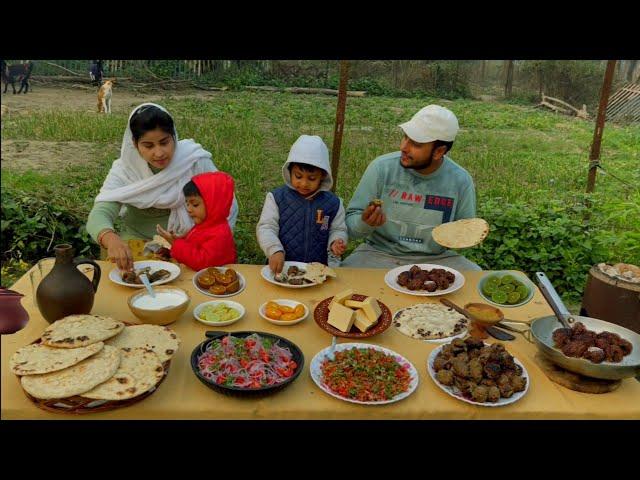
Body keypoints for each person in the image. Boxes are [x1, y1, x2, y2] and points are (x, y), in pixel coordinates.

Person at [86, 103, 239, 272]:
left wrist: (211, 241)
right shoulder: (125, 170)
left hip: (190, 246)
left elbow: (226, 203)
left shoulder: (193, 161)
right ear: (135, 144)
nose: (159, 153)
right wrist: (110, 238)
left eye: (164, 142)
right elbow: (100, 213)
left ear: (174, 136)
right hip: (136, 243)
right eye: (148, 146)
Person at [342, 105, 481, 271]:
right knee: (346, 278)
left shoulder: (460, 180)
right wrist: (365, 223)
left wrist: (466, 236)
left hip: (437, 259)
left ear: (439, 151)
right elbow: (350, 227)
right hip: (378, 254)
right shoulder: (381, 168)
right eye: (405, 137)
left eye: (415, 144)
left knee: (474, 278)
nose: (403, 147)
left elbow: (465, 231)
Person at [256, 135, 348, 274]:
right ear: (289, 171)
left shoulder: (333, 203)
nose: (304, 183)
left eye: (312, 178)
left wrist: (336, 241)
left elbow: (337, 229)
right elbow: (266, 227)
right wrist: (274, 250)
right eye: (298, 176)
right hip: (283, 267)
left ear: (323, 175)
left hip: (318, 270)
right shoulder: (276, 198)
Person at [155, 172, 237, 271]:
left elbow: (202, 262)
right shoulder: (204, 225)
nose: (189, 209)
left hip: (215, 281)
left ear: (213, 205)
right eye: (187, 204)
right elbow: (193, 248)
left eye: (195, 204)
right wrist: (171, 252)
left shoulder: (220, 234)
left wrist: (175, 243)